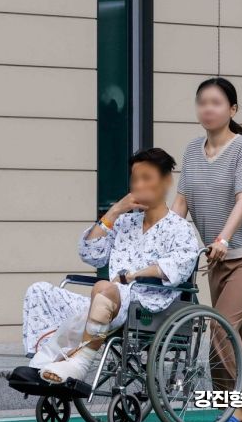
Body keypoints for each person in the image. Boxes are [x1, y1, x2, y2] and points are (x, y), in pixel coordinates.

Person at [22, 148, 199, 383]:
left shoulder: (180, 228)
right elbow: (91, 253)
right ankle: (42, 365)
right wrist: (115, 211)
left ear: (167, 180)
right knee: (39, 291)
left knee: (105, 287)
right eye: (135, 179)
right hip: (109, 300)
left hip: (146, 307)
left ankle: (79, 363)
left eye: (147, 178)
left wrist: (132, 276)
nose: (139, 185)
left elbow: (177, 266)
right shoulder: (124, 221)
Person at [173, 77, 242, 422]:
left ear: (231, 110)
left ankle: (234, 408)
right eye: (202, 102)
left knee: (220, 326)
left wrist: (223, 238)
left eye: (216, 103)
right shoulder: (191, 150)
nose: (208, 109)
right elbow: (181, 202)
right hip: (218, 259)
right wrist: (162, 237)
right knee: (240, 335)